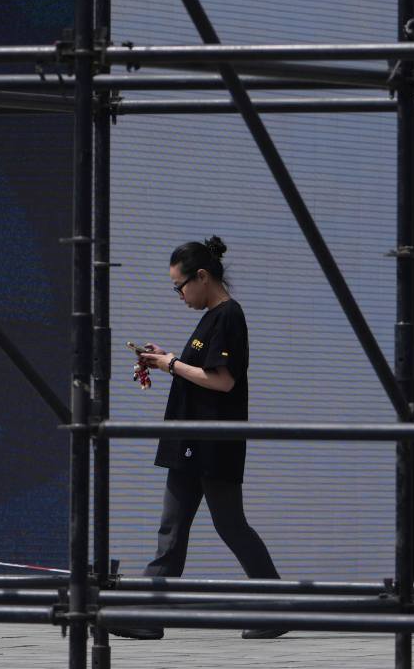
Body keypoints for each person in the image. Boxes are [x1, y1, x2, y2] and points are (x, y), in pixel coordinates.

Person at [120, 237, 283, 642]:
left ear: (203, 277)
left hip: (211, 443)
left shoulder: (228, 315)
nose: (179, 294)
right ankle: (147, 615)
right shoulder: (211, 317)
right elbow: (203, 368)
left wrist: (171, 364)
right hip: (190, 441)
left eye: (180, 286)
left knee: (230, 525)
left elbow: (223, 381)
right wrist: (168, 358)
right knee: (171, 530)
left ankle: (278, 607)